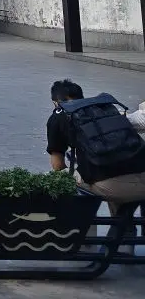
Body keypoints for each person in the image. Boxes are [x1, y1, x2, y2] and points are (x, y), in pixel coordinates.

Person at [47, 79, 145, 249]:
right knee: (113, 167)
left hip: (116, 189)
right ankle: (125, 237)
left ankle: (83, 241)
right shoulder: (107, 108)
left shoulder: (58, 115)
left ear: (56, 102)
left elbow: (57, 166)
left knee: (65, 179)